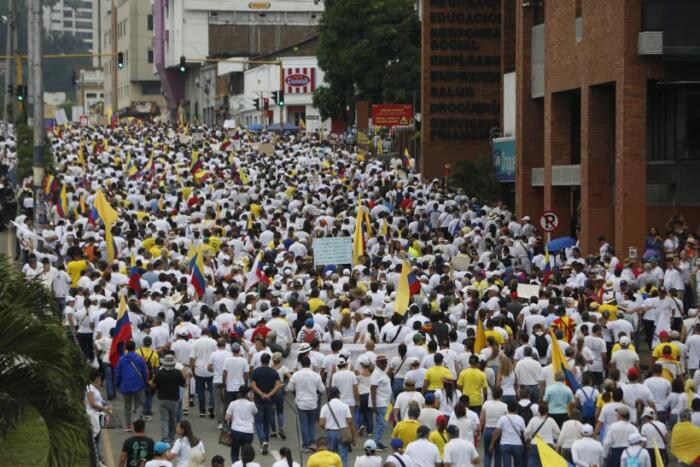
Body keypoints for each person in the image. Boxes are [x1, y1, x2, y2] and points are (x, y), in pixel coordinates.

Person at [288, 354, 325, 452]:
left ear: (300, 364)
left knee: (303, 423)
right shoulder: (316, 375)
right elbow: (322, 389)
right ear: (310, 364)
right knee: (312, 423)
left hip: (300, 402)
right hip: (313, 402)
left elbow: (290, 388)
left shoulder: (296, 375)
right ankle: (313, 443)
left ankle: (305, 445)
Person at [250, 352, 281, 454]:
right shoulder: (273, 372)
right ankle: (266, 442)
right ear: (269, 361)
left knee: (258, 422)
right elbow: (278, 385)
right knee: (266, 423)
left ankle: (262, 441)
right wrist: (269, 394)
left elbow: (253, 385)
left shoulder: (256, 372)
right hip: (270, 401)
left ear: (261, 361)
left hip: (259, 400)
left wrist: (261, 394)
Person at [115, 340, 149, 431]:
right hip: (138, 384)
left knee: (127, 406)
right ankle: (137, 421)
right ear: (135, 348)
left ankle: (128, 425)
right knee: (139, 404)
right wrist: (146, 381)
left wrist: (117, 383)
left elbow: (118, 372)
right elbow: (145, 372)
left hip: (125, 385)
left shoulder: (121, 359)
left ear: (126, 348)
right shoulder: (139, 358)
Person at [319, 386, 356, 467]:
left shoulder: (325, 407)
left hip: (330, 433)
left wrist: (326, 426)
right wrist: (353, 437)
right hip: (343, 433)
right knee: (343, 457)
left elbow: (321, 424)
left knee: (330, 456)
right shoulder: (344, 406)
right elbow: (350, 422)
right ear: (338, 395)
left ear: (329, 395)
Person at [153, 353, 186, 443]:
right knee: (173, 419)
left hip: (162, 399)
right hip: (174, 399)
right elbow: (183, 384)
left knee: (164, 420)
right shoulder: (177, 373)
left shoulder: (159, 373)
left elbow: (154, 385)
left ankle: (165, 438)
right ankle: (171, 438)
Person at [189, 328, 217, 418]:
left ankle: (202, 410)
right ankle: (211, 406)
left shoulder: (195, 342)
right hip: (211, 369)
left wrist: (192, 369)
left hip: (199, 368)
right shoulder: (213, 342)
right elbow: (216, 355)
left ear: (201, 333)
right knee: (212, 390)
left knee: (200, 391)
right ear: (208, 333)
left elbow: (192, 358)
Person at [225, 386, 257, 465]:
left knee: (234, 453)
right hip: (248, 432)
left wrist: (233, 417)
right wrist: (252, 399)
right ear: (248, 394)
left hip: (236, 431)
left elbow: (227, 417)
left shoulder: (233, 403)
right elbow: (255, 412)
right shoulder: (251, 404)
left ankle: (236, 465)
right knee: (245, 452)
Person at [86, 369, 111, 467]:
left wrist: (107, 404)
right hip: (92, 415)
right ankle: (96, 461)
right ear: (96, 378)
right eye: (99, 377)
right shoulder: (89, 389)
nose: (100, 379)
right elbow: (92, 403)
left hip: (98, 415)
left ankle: (98, 458)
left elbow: (100, 400)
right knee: (94, 439)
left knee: (97, 438)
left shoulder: (95, 388)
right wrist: (104, 408)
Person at [524, 401, 560, 467]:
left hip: (535, 444)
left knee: (534, 464)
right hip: (548, 444)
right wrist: (554, 439)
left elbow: (526, 432)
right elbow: (558, 432)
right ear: (547, 410)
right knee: (547, 464)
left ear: (539, 410)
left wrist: (528, 439)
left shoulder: (533, 420)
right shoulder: (551, 420)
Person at [491, 400, 526, 467]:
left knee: (506, 465)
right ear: (516, 409)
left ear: (507, 408)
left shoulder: (502, 418)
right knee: (518, 464)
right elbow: (523, 433)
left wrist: (492, 444)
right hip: (517, 444)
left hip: (505, 444)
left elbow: (496, 432)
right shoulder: (520, 419)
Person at [369, 354, 392, 450]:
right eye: (383, 362)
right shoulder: (376, 374)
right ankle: (376, 443)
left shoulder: (381, 372)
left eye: (386, 362)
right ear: (378, 363)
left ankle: (377, 441)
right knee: (381, 423)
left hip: (384, 402)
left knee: (381, 423)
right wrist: (374, 404)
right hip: (380, 402)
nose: (385, 364)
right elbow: (373, 389)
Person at [137, 335, 160, 421]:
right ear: (150, 344)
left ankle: (141, 411)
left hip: (139, 377)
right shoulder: (154, 353)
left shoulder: (138, 351)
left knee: (139, 395)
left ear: (143, 343)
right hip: (150, 377)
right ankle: (148, 412)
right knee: (149, 395)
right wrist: (155, 380)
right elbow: (156, 368)